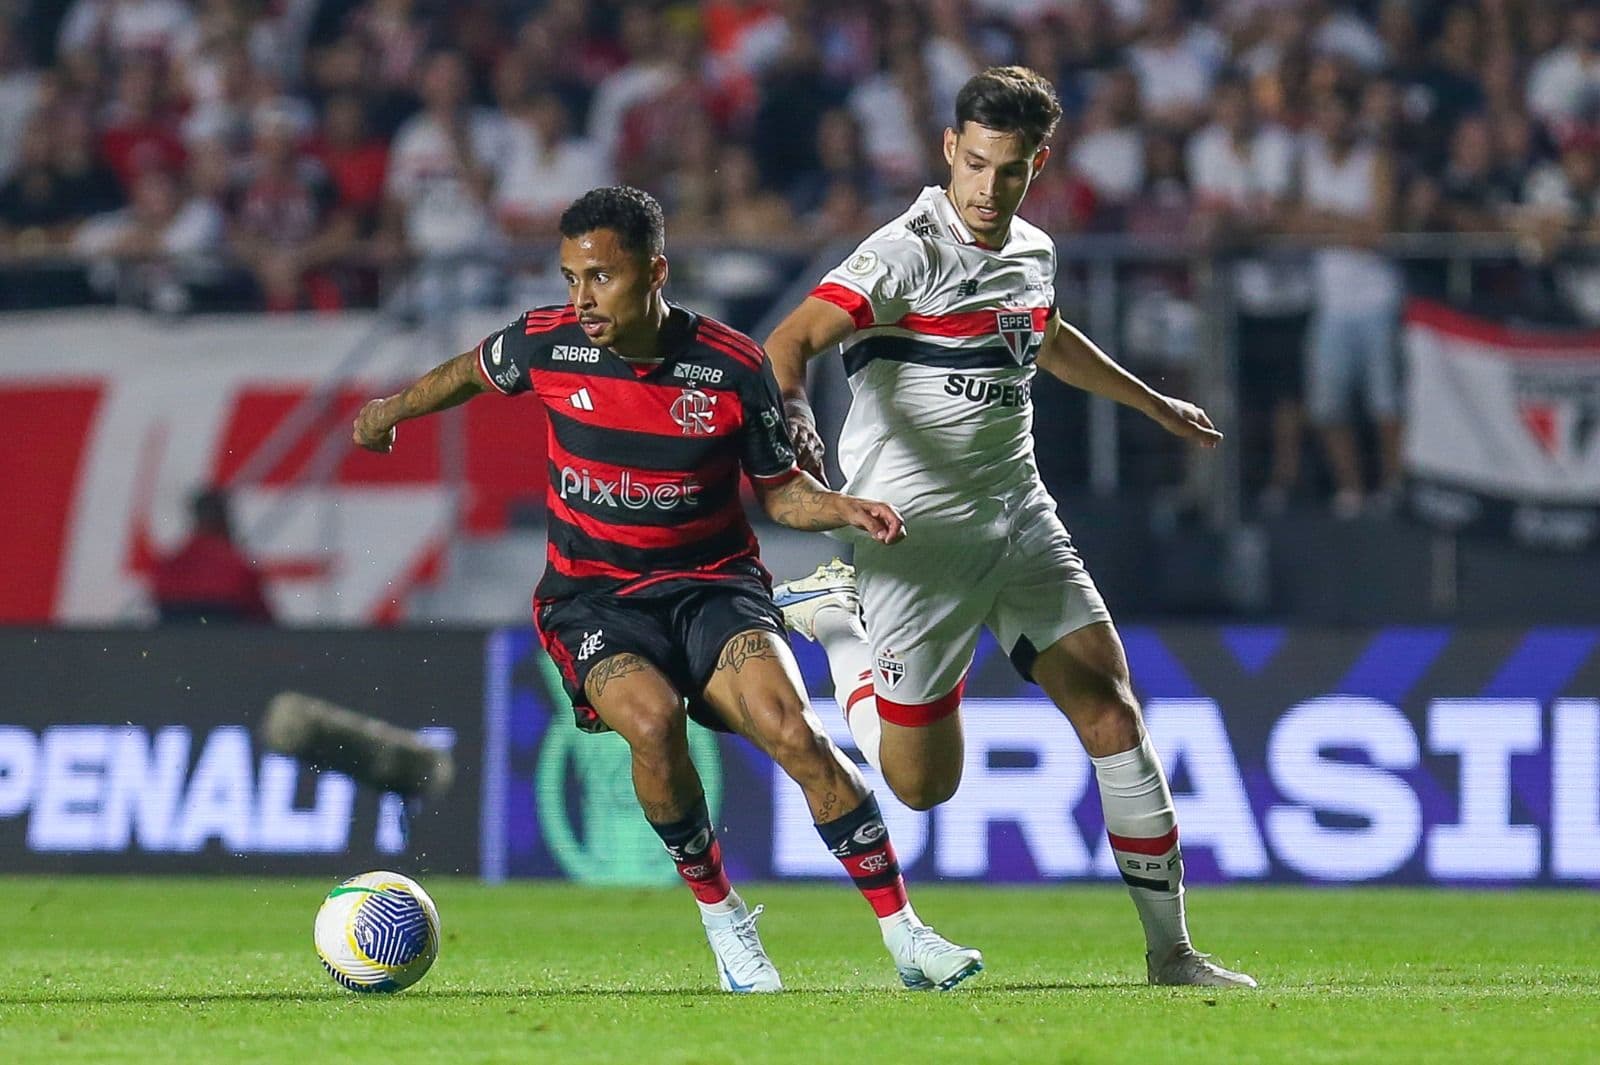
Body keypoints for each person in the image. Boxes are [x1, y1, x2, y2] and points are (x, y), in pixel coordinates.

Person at [351, 186, 981, 994]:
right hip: (593, 600)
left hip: (713, 586)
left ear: (655, 273)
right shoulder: (548, 344)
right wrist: (390, 411)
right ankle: (726, 926)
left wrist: (841, 509)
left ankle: (906, 934)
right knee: (653, 724)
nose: (582, 298)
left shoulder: (731, 365)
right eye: (571, 277)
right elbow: (467, 373)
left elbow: (779, 493)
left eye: (601, 278)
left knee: (794, 732)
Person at [764, 67, 1255, 989]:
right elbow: (785, 345)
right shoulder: (900, 253)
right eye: (978, 165)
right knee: (921, 786)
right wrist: (795, 427)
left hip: (1021, 515)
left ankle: (1171, 953)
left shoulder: (1031, 248)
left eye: (1013, 171)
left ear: (1038, 165)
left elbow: (1048, 335)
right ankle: (838, 621)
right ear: (950, 149)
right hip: (917, 542)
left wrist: (1153, 404)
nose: (990, 190)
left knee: (1113, 713)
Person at [151, 487, 274, 624]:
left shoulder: (168, 568)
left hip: (177, 644)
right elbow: (266, 626)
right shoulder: (237, 569)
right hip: (229, 643)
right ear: (225, 520)